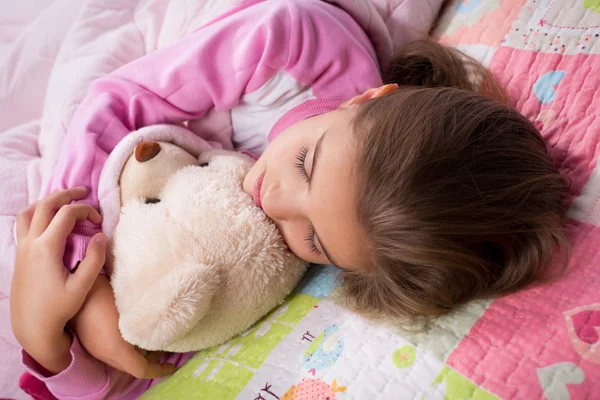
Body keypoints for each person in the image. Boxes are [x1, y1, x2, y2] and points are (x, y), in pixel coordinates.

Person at [10, 0, 568, 398]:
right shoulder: (296, 43)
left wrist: (52, 350)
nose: (273, 201)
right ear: (367, 99)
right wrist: (81, 266)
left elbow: (164, 345)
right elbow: (121, 98)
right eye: (306, 163)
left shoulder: (307, 244)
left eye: (316, 241)